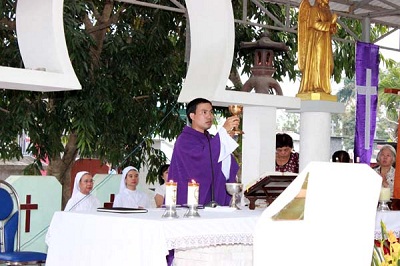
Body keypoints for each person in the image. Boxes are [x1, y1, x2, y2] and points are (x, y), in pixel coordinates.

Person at [168, 98, 240, 206]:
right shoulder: (185, 139)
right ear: (192, 116)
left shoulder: (209, 139)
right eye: (204, 112)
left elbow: (222, 163)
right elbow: (202, 160)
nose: (209, 116)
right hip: (188, 200)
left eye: (211, 112)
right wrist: (223, 132)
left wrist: (226, 139)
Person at [297, 0, 337, 95]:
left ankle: (324, 86)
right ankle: (316, 85)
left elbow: (331, 28)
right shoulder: (314, 9)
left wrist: (333, 25)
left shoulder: (327, 11)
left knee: (328, 63)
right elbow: (314, 24)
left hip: (325, 41)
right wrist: (330, 23)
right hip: (317, 40)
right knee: (318, 61)